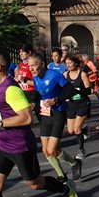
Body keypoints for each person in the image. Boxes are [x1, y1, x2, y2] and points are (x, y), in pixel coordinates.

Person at [0, 51, 78, 197]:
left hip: (20, 146)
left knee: (35, 183)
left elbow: (27, 118)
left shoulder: (10, 89)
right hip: (2, 145)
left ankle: (65, 189)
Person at [28, 53, 84, 182]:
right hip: (45, 114)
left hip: (58, 113)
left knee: (52, 149)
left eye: (33, 65)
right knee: (46, 150)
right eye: (29, 66)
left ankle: (74, 164)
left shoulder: (54, 75)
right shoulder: (35, 77)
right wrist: (33, 102)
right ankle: (61, 175)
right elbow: (38, 93)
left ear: (42, 64)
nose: (31, 69)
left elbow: (71, 91)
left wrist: (56, 100)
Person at [64, 54, 92, 160]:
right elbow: (62, 88)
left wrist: (78, 90)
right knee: (71, 130)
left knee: (76, 129)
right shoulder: (65, 74)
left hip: (83, 103)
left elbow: (88, 90)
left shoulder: (82, 74)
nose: (68, 65)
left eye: (70, 63)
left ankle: (81, 150)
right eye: (67, 63)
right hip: (71, 104)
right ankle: (84, 129)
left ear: (75, 63)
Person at [14, 44, 41, 120]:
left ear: (29, 52)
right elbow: (19, 77)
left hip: (34, 93)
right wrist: (17, 79)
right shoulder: (21, 64)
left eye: (23, 52)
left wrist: (24, 80)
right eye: (20, 52)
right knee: (23, 116)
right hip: (24, 92)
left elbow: (38, 83)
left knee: (41, 117)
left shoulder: (33, 65)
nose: (21, 54)